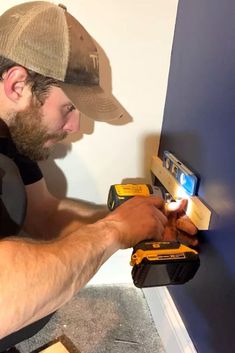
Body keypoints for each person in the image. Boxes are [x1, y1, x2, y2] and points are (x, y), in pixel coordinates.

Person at [0, 1, 197, 348]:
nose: (76, 127)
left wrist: (136, 221)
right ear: (17, 85)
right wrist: (113, 230)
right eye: (69, 107)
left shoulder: (9, 137)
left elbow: (45, 213)